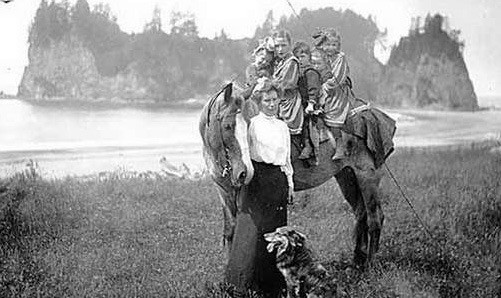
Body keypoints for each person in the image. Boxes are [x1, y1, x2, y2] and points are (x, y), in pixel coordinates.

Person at [225, 80, 293, 297]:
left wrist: (290, 184)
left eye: (275, 100)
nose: (272, 104)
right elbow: (243, 152)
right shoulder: (253, 124)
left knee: (275, 233)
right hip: (258, 180)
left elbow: (287, 160)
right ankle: (244, 284)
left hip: (278, 181)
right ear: (259, 101)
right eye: (267, 100)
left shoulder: (283, 127)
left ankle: (272, 286)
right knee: (254, 232)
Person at [313, 28, 353, 160]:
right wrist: (320, 38)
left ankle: (339, 144)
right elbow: (316, 49)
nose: (330, 48)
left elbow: (339, 78)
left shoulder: (340, 58)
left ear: (338, 46)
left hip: (336, 92)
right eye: (328, 44)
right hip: (323, 89)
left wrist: (326, 86)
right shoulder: (324, 56)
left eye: (334, 45)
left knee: (332, 114)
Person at [293, 41, 323, 164]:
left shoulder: (311, 72)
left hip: (311, 104)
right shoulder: (298, 73)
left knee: (306, 121)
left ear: (309, 58)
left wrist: (311, 103)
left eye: (303, 57)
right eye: (297, 58)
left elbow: (313, 89)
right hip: (301, 103)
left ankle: (309, 146)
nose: (300, 60)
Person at [271, 29, 303, 136]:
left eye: (283, 45)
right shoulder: (278, 62)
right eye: (277, 46)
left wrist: (266, 83)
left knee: (287, 133)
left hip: (289, 102)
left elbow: (285, 84)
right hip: (277, 100)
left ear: (290, 45)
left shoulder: (292, 62)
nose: (280, 49)